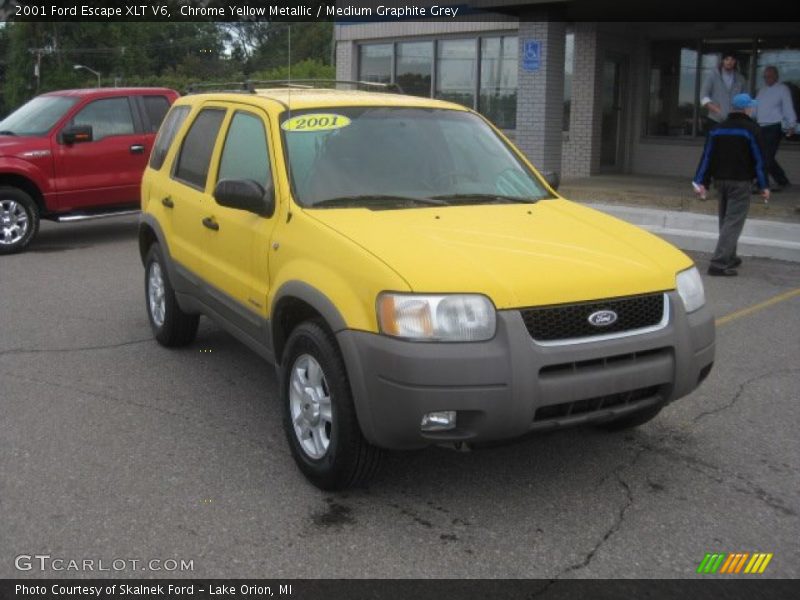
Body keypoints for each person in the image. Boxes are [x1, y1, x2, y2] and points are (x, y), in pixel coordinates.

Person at [692, 93, 770, 276]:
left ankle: (730, 256)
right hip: (740, 182)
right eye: (751, 107)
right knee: (733, 222)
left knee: (726, 220)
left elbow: (707, 157)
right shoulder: (752, 130)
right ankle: (719, 263)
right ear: (746, 109)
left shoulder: (717, 129)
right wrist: (763, 186)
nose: (752, 109)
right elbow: (759, 160)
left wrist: (701, 181)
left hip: (720, 181)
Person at [755, 66, 796, 192]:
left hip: (774, 127)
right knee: (764, 156)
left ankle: (762, 185)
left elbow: (788, 107)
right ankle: (782, 180)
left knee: (766, 157)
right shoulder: (761, 91)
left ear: (776, 76)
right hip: (761, 126)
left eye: (770, 76)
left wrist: (791, 125)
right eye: (765, 77)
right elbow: (755, 108)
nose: (767, 79)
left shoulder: (782, 89)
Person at [700, 51, 746, 133]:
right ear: (722, 61)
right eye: (727, 59)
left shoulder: (740, 79)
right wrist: (716, 109)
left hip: (734, 121)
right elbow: (703, 97)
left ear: (735, 62)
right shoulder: (712, 76)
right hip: (715, 120)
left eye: (732, 60)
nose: (729, 62)